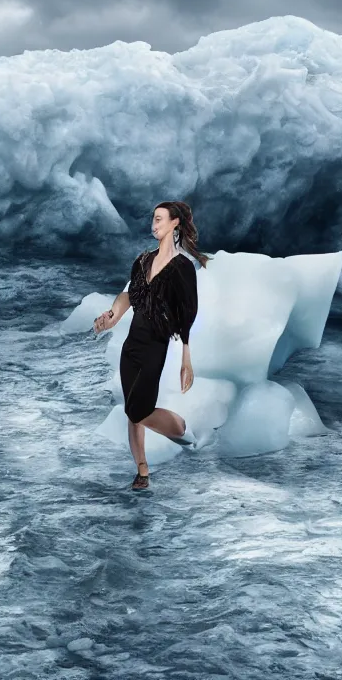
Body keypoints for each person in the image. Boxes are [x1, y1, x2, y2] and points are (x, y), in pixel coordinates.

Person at [93, 201, 210, 490]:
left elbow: (188, 313)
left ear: (174, 224)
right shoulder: (142, 260)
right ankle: (142, 471)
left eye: (159, 220)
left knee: (139, 411)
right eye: (153, 219)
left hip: (155, 348)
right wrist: (112, 316)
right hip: (130, 347)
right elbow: (127, 296)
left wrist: (186, 358)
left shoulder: (183, 267)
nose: (154, 224)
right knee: (132, 409)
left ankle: (182, 429)